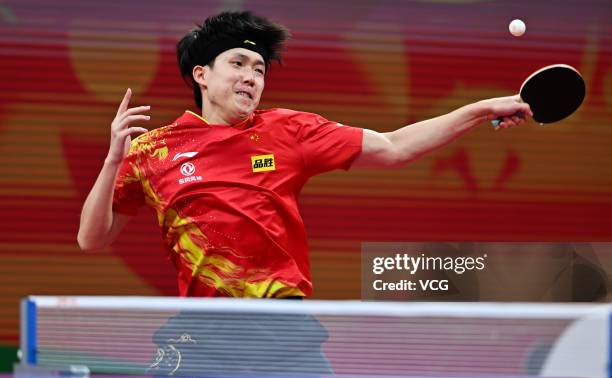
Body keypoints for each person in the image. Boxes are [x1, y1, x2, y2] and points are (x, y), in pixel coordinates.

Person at [77, 10, 531, 299]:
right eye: (238, 64)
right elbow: (92, 239)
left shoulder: (289, 130)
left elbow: (395, 147)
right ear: (201, 74)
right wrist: (112, 159)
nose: (252, 78)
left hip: (281, 327)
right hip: (202, 332)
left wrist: (482, 108)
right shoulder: (153, 149)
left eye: (259, 69)